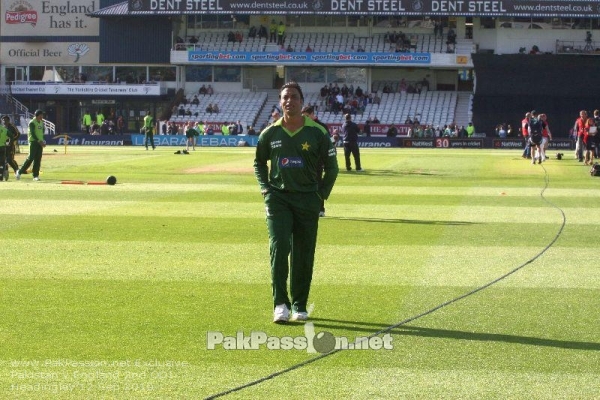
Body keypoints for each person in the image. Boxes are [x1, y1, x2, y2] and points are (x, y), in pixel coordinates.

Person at [254, 82, 339, 323]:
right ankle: (280, 304)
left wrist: (321, 194)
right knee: (279, 248)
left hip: (307, 200)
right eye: (284, 97)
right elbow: (259, 163)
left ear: (301, 102)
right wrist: (265, 188)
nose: (289, 101)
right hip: (278, 199)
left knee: (303, 253)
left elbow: (332, 167)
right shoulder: (270, 133)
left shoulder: (317, 132)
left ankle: (300, 304)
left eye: (293, 97)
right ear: (280, 102)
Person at [302, 105, 331, 217]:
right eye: (303, 116)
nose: (305, 118)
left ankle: (321, 208)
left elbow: (327, 145)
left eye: (307, 116)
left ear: (313, 114)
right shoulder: (303, 126)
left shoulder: (321, 126)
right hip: (304, 160)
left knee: (318, 184)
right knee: (304, 183)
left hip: (317, 160)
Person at [16, 109, 46, 181]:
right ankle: (19, 172)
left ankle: (35, 175)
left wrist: (43, 140)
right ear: (38, 115)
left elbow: (42, 132)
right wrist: (39, 141)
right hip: (33, 142)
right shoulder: (32, 123)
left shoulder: (41, 123)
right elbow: (32, 133)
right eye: (41, 115)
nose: (42, 116)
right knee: (31, 158)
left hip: (40, 143)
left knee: (38, 159)